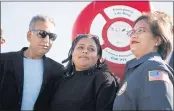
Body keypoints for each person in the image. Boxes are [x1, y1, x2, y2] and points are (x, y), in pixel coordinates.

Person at [0, 15, 65, 111]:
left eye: (52, 36)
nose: (47, 40)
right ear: (29, 35)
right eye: (42, 33)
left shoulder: (57, 70)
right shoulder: (4, 61)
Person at [113, 11, 173, 110]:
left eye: (141, 30)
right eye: (133, 31)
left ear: (157, 40)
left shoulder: (154, 67)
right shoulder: (135, 70)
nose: (134, 35)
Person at [51, 34, 119, 111]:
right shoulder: (61, 80)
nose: (85, 51)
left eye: (91, 49)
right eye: (80, 47)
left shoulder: (104, 79)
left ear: (98, 57)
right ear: (72, 53)